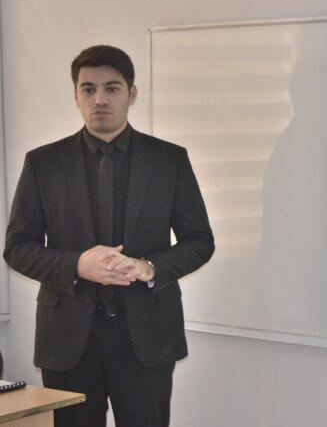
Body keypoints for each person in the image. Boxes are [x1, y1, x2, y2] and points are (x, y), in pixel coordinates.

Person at [3, 45, 214, 426]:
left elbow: (200, 240)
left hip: (146, 338)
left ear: (132, 94)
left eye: (112, 88)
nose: (99, 99)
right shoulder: (43, 163)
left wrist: (148, 267)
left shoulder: (169, 160)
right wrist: (75, 264)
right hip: (68, 340)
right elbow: (17, 248)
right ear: (76, 95)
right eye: (88, 89)